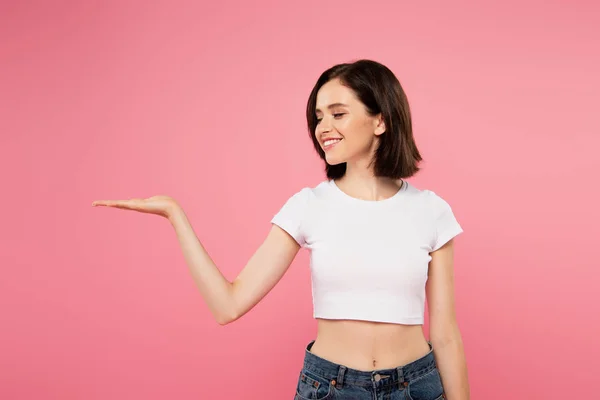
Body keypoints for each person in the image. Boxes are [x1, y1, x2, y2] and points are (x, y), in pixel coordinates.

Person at [92, 59, 470, 400]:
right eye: (319, 117)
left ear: (381, 120)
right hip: (330, 390)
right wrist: (176, 216)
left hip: (415, 388)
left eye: (338, 114)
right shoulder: (309, 206)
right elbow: (228, 305)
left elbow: (446, 335)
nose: (324, 128)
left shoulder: (430, 210)